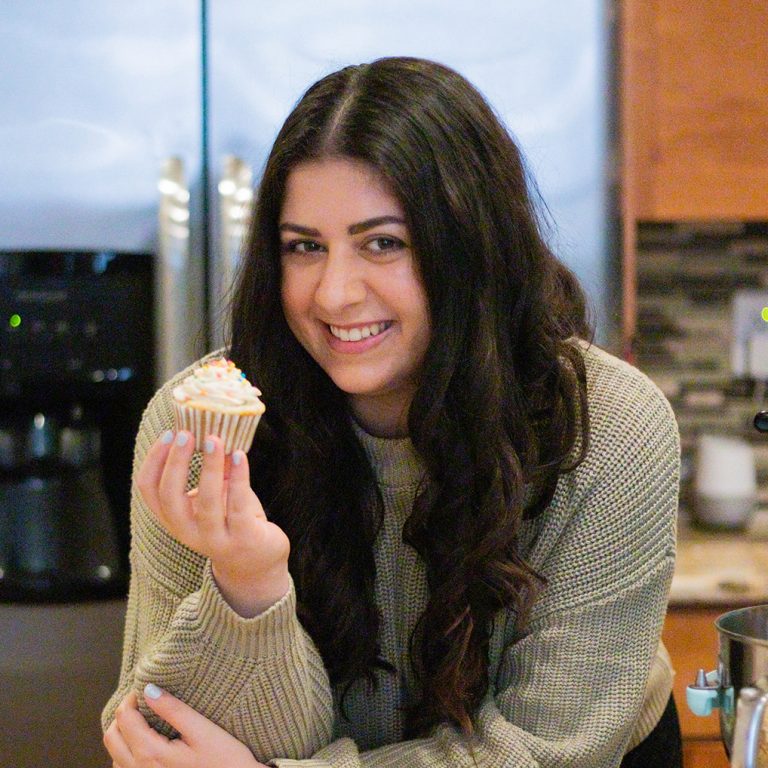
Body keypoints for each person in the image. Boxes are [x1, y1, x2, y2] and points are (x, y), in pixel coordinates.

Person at [101, 56, 682, 767]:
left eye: (384, 243)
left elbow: (544, 751)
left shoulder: (612, 429)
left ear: (472, 247)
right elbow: (160, 735)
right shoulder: (198, 428)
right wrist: (247, 589)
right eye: (304, 247)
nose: (334, 294)